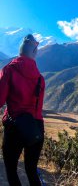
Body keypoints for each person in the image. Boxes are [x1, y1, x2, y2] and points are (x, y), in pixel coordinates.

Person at [0, 34, 45, 186]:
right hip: (36, 128)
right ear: (34, 53)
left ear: (20, 51)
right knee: (31, 170)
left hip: (15, 126)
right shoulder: (40, 78)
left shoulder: (8, 70)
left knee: (11, 170)